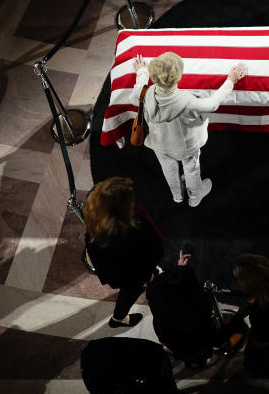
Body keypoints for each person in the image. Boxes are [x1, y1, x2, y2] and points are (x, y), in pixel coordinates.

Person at [131, 52, 247, 207]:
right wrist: (230, 81)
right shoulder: (187, 101)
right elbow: (211, 104)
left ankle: (177, 195)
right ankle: (195, 196)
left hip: (158, 142)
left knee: (168, 169)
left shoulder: (143, 94)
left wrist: (142, 71)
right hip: (185, 146)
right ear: (177, 77)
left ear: (154, 76)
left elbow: (137, 90)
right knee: (191, 168)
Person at [82, 177, 163, 328]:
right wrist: (149, 274)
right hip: (130, 274)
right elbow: (155, 252)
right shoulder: (136, 229)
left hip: (109, 268)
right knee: (129, 293)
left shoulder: (94, 222)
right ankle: (118, 319)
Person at [145, 250, 220, 368]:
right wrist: (181, 270)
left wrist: (179, 268)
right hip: (195, 339)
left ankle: (185, 359)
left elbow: (166, 284)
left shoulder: (153, 291)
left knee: (182, 351)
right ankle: (200, 362)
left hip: (168, 338)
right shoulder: (195, 301)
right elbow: (206, 310)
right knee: (201, 345)